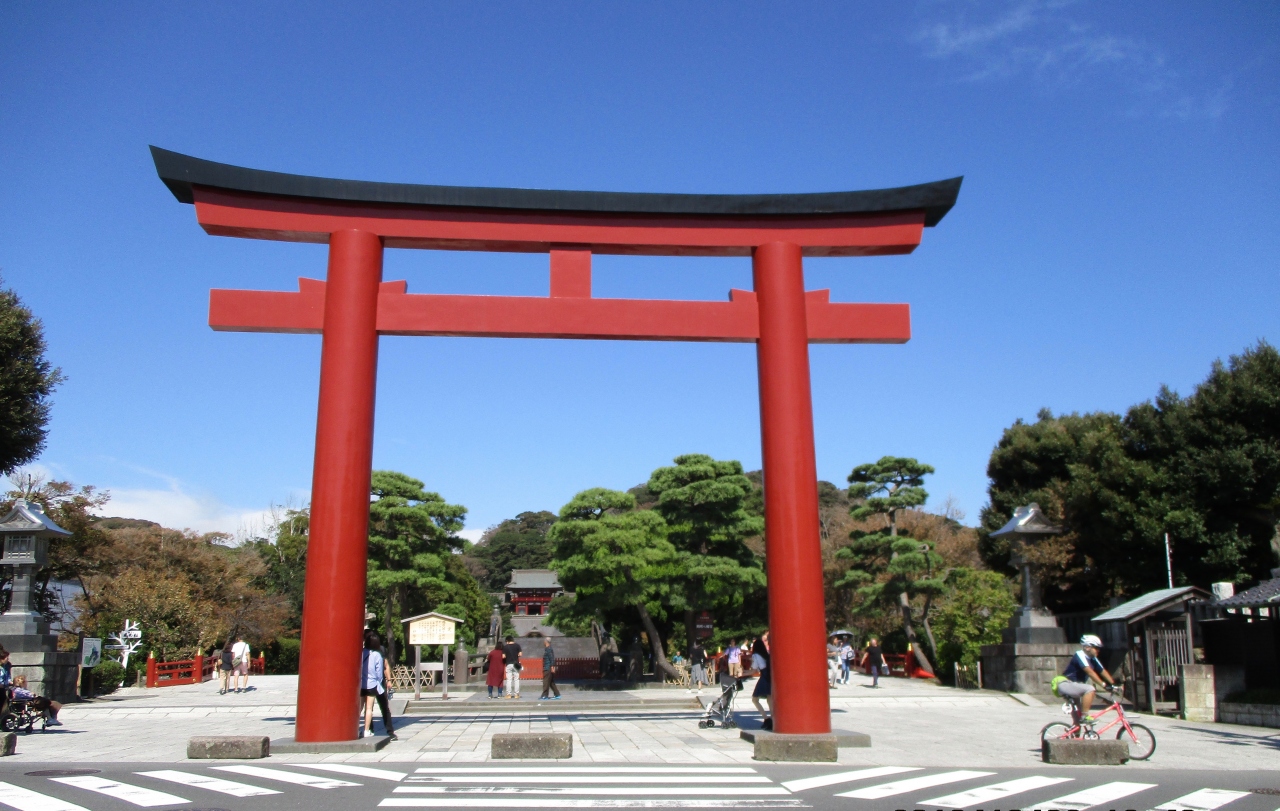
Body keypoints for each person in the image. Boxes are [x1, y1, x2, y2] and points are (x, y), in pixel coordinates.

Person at [1054, 634, 1119, 723]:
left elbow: (1102, 671)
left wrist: (1113, 684)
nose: (1098, 650)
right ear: (1087, 647)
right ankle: (1085, 716)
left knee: (1078, 721)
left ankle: (1077, 729)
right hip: (1066, 684)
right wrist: (1104, 685)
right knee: (1090, 689)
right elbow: (1090, 672)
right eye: (1096, 648)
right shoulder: (1080, 655)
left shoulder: (1093, 658)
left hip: (1075, 686)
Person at [360, 631, 397, 740]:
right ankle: (369, 729)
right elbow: (382, 669)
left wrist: (389, 680)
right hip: (376, 682)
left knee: (381, 707)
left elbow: (386, 665)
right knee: (371, 708)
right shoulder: (373, 652)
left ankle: (388, 731)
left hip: (368, 683)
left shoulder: (379, 650)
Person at [747, 632, 771, 730]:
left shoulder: (755, 655)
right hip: (769, 676)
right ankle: (773, 718)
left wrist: (742, 673)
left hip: (764, 676)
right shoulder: (766, 654)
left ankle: (766, 718)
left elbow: (753, 670)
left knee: (755, 699)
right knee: (770, 698)